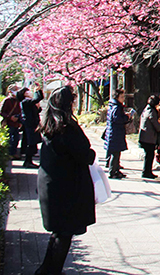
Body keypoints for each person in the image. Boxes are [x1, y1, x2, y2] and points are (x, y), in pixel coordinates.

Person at [36, 85, 95, 275]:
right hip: (67, 189)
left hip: (51, 185)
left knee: (59, 232)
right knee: (65, 233)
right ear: (69, 104)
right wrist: (92, 153)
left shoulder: (49, 125)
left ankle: (46, 270)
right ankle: (52, 271)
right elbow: (84, 154)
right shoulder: (67, 128)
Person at [104, 88, 131, 179]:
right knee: (115, 154)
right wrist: (126, 118)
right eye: (122, 97)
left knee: (117, 153)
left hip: (114, 132)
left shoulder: (114, 106)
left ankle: (116, 170)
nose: (123, 98)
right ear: (117, 97)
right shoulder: (116, 107)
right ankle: (112, 172)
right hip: (115, 133)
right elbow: (116, 119)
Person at [138, 95, 160, 179]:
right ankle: (147, 172)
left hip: (145, 136)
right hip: (149, 137)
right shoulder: (151, 111)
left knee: (148, 155)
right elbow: (155, 124)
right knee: (149, 155)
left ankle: (147, 171)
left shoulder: (146, 109)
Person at [21, 86, 44, 168]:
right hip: (30, 125)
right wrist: (37, 91)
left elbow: (37, 109)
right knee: (31, 143)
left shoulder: (29, 102)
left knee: (33, 143)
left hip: (33, 124)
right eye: (27, 92)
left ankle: (29, 161)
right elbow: (38, 98)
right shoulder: (25, 102)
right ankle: (28, 161)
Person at [1, 86, 23, 159]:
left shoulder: (17, 101)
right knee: (10, 139)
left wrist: (19, 120)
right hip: (9, 122)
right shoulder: (7, 100)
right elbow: (1, 112)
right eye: (15, 90)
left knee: (16, 139)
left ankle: (14, 153)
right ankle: (9, 154)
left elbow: (20, 111)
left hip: (16, 123)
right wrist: (9, 117)